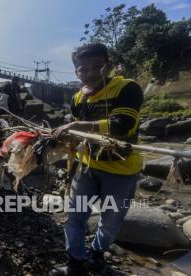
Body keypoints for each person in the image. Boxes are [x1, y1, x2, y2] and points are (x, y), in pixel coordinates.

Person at [50, 43, 143, 275]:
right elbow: (75, 135)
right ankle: (75, 262)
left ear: (108, 65)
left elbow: (124, 125)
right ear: (76, 72)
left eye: (97, 67)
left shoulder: (127, 88)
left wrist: (79, 125)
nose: (90, 74)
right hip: (87, 166)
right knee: (74, 215)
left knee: (111, 220)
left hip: (121, 170)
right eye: (83, 70)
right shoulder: (78, 98)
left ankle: (97, 255)